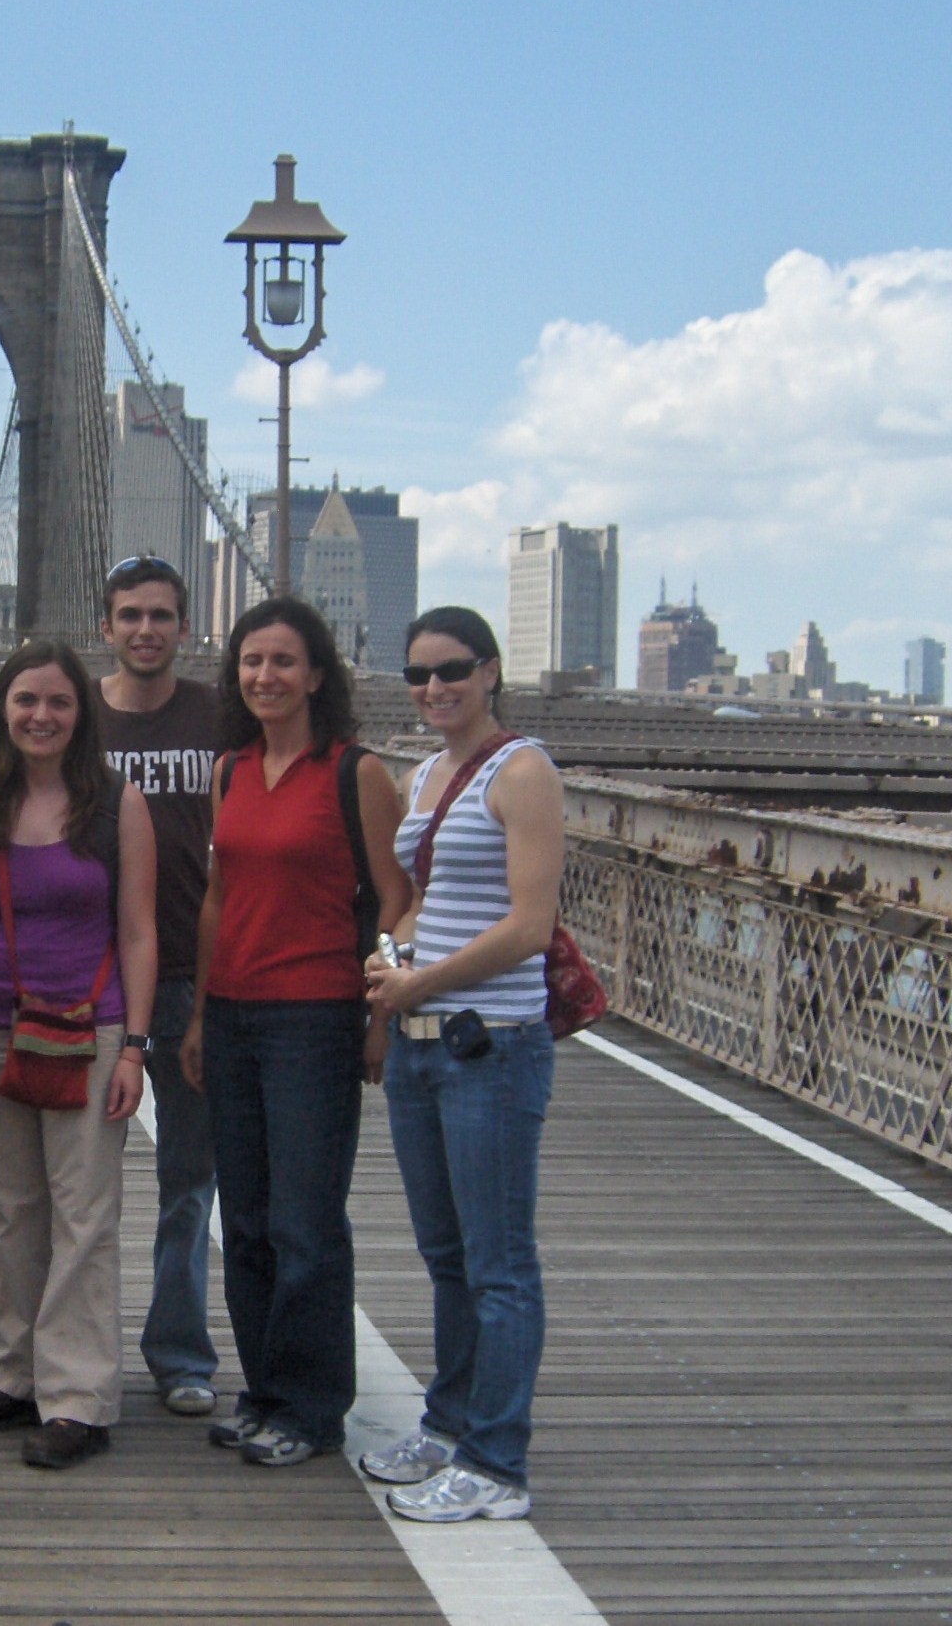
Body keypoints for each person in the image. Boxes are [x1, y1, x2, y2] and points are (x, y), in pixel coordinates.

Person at [181, 596, 408, 1468]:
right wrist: (201, 1011)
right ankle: (264, 1389)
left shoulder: (357, 773)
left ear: (317, 674)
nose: (265, 676)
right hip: (234, 1014)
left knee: (305, 1223)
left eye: (283, 661)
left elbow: (395, 902)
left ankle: (312, 1407)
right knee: (242, 1218)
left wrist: (379, 1014)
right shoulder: (231, 769)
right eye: (251, 661)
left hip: (314, 1018)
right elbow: (218, 898)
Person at [360, 606, 563, 1524]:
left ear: (489, 673)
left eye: (450, 671)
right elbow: (419, 902)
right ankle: (449, 1423)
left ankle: (497, 1462)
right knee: (446, 1255)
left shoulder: (524, 771)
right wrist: (392, 958)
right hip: (419, 1041)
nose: (433, 688)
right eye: (417, 675)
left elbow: (530, 927)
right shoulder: (426, 773)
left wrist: (425, 981)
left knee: (499, 1263)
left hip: (491, 1045)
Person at [0, 640, 156, 1469]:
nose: (40, 715)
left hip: (88, 1029)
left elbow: (138, 929)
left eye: (58, 702)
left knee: (85, 1213)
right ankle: (19, 1372)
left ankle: (80, 1397)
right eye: (25, 700)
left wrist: (135, 1045)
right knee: (11, 1209)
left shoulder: (114, 804)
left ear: (81, 714)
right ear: (3, 710)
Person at [90, 556, 224, 1418]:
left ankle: (179, 1353)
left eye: (163, 615)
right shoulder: (72, 716)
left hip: (197, 980)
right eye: (131, 614)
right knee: (82, 1186)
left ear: (184, 625)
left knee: (190, 1180)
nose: (147, 628)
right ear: (106, 625)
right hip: (92, 983)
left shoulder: (222, 716)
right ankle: (79, 1355)